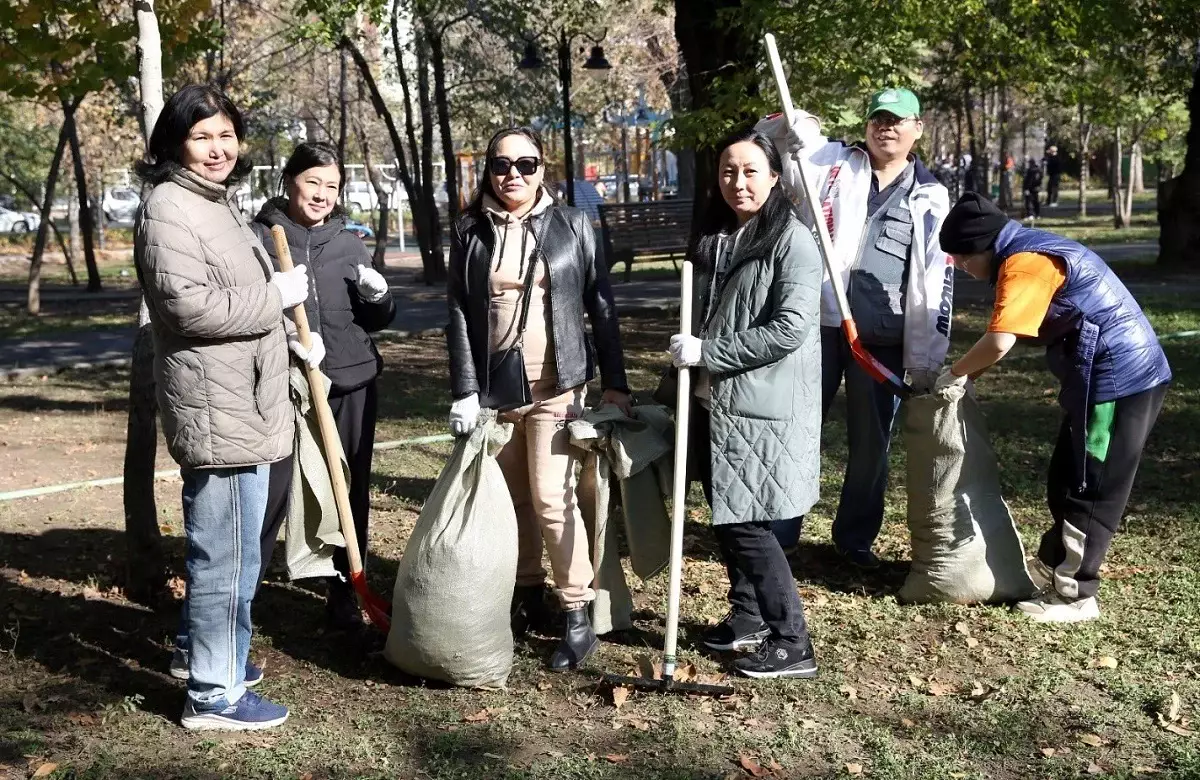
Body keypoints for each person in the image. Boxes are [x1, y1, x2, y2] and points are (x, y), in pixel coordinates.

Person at [135, 84, 310, 730]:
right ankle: (213, 693)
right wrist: (275, 299)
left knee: (234, 549)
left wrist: (287, 335)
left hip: (246, 398)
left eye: (226, 135)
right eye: (202, 136)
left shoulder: (218, 203)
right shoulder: (169, 207)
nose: (218, 148)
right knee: (226, 553)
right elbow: (188, 307)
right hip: (218, 407)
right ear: (175, 142)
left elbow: (236, 296)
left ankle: (210, 656)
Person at [935, 192, 1171, 623]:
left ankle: (1076, 595)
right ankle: (1054, 563)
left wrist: (954, 373)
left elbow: (1000, 341)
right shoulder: (1026, 247)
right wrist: (969, 373)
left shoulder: (1026, 264)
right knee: (1065, 475)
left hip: (1120, 381)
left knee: (1091, 487)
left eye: (963, 258)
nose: (962, 267)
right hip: (1100, 380)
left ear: (983, 246)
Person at [445, 126, 631, 671]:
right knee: (514, 498)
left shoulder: (572, 223)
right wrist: (463, 388)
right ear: (488, 169)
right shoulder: (469, 229)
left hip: (559, 386)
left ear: (542, 168)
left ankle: (577, 611)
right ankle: (527, 592)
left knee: (553, 499)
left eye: (526, 165)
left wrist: (616, 382)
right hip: (496, 390)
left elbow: (601, 304)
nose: (513, 176)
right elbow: (458, 309)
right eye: (502, 165)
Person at [758, 87, 953, 567]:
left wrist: (926, 359)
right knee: (798, 429)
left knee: (872, 446)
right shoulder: (827, 164)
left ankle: (855, 539)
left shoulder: (930, 195)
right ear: (866, 124)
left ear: (917, 129)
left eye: (897, 120)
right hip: (815, 326)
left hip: (880, 342)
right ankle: (781, 531)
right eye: (878, 119)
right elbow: (773, 137)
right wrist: (797, 127)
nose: (886, 127)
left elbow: (935, 278)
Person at [666, 127, 822, 678]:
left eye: (752, 171)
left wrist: (709, 351)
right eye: (729, 171)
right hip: (714, 403)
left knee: (747, 525)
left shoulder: (793, 241)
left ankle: (792, 641)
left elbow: (789, 329)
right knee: (729, 516)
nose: (739, 182)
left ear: (776, 177)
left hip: (760, 407)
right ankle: (749, 617)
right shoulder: (721, 236)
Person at [249, 142, 396, 629]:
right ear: (290, 180)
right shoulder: (260, 237)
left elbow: (374, 319)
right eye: (313, 182)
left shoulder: (349, 242)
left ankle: (344, 590)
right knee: (271, 490)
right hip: (284, 383)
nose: (322, 195)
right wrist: (286, 338)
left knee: (348, 486)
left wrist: (381, 298)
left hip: (351, 381)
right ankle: (243, 597)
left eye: (332, 186)